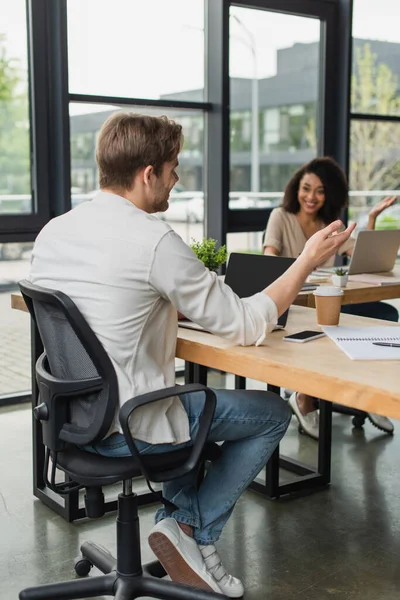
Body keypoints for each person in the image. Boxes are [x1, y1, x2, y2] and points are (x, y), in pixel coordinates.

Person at [29, 114, 355, 598]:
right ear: (147, 174)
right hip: (131, 426)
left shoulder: (53, 232)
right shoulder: (155, 240)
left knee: (196, 418)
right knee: (270, 414)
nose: (177, 179)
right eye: (173, 168)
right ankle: (190, 531)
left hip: (72, 420)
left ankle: (180, 527)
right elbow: (244, 324)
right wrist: (306, 260)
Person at [263, 156, 398, 439]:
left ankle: (368, 393)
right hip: (293, 302)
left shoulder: (329, 224)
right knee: (321, 328)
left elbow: (362, 255)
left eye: (320, 190)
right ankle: (303, 397)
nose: (311, 196)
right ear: (295, 189)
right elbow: (269, 258)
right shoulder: (281, 217)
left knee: (383, 314)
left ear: (329, 194)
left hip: (326, 299)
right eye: (306, 188)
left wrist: (371, 219)